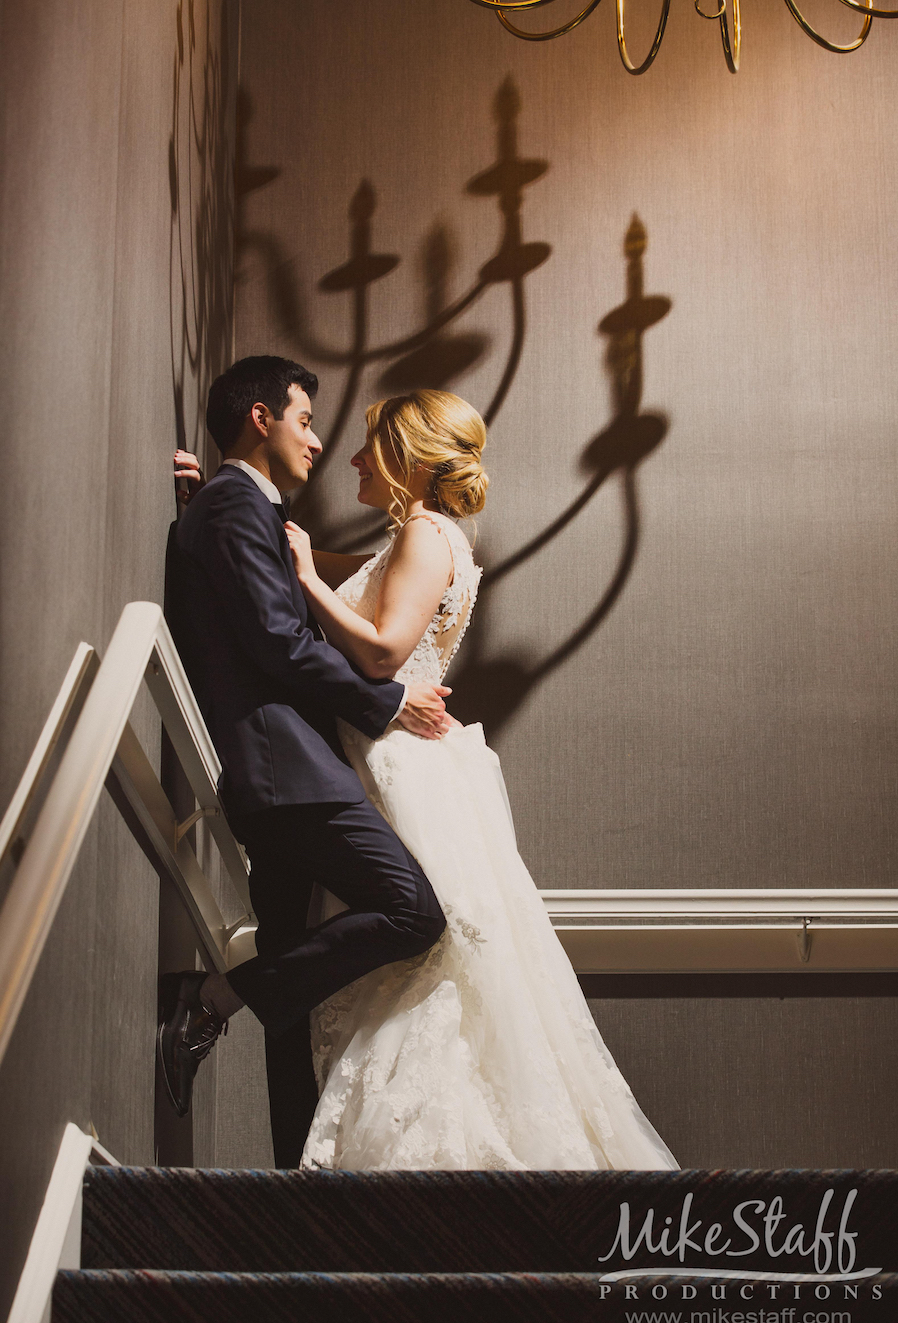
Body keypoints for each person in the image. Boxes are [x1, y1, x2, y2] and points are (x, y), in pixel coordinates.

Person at [277, 388, 677, 1169]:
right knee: (427, 964)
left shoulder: (428, 535)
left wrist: (308, 582)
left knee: (426, 971)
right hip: (404, 762)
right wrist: (244, 523)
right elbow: (339, 577)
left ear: (406, 458)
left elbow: (385, 654)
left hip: (404, 771)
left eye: (369, 448)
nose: (353, 461)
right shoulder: (418, 537)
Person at [161, 356, 452, 1169]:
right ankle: (212, 997)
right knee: (413, 911)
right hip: (285, 770)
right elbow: (278, 642)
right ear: (261, 419)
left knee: (294, 991)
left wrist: (199, 511)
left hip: (281, 772)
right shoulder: (231, 504)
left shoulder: (228, 508)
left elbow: (250, 618)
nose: (317, 442)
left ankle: (293, 1188)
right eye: (305, 420)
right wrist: (388, 703)